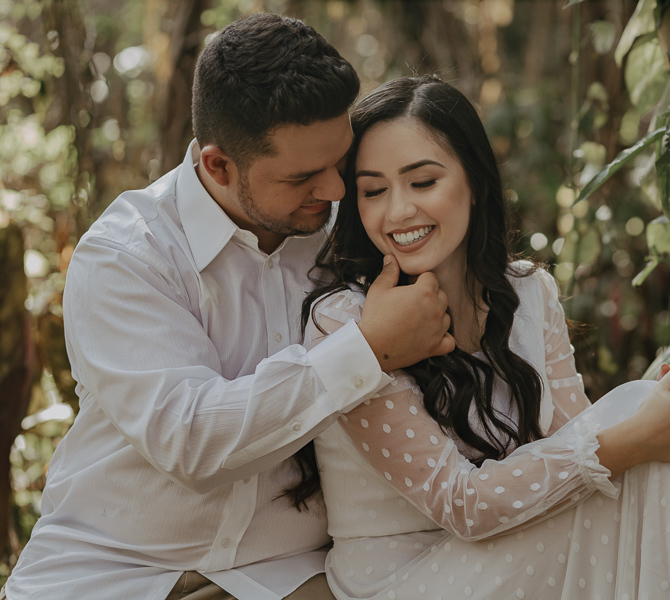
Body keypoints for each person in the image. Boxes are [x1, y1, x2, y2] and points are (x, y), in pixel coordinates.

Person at [301, 75, 670, 599]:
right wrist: (639, 435)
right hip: (408, 580)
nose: (398, 211)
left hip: (517, 546)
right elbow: (462, 504)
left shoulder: (527, 292)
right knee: (651, 443)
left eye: (422, 181)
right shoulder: (348, 323)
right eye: (373, 190)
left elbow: (574, 440)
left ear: (475, 182)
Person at [2, 14, 456, 600]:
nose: (336, 190)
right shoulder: (127, 254)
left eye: (340, 162)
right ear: (218, 165)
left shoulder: (355, 229)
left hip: (292, 573)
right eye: (303, 176)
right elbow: (192, 439)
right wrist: (368, 350)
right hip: (111, 569)